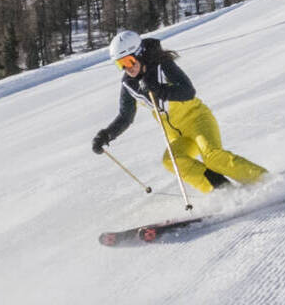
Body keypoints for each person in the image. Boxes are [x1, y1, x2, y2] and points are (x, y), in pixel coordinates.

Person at [91, 29, 266, 194]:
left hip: (197, 120)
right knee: (172, 160)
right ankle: (222, 190)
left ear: (139, 53)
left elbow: (188, 91)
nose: (127, 68)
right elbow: (125, 116)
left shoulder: (162, 65)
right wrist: (106, 135)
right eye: (120, 64)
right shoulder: (129, 84)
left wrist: (159, 90)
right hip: (176, 135)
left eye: (129, 61)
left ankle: (263, 180)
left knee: (212, 156)